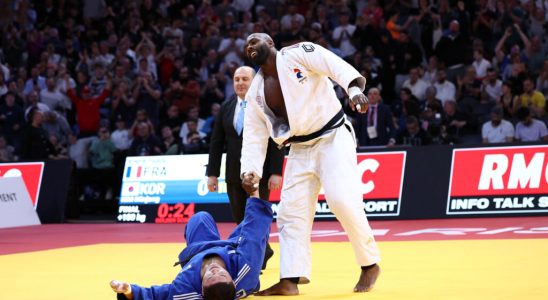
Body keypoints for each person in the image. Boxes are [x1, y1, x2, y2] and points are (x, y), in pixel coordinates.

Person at [240, 33, 380, 295]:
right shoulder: (256, 91)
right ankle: (290, 278)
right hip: (299, 148)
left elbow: (332, 64)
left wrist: (353, 90)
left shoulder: (298, 54)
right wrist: (251, 170)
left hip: (333, 137)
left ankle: (369, 263)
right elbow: (254, 133)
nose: (249, 46)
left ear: (270, 43)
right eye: (246, 44)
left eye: (254, 40)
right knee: (290, 213)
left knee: (342, 200)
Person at [110, 194, 273, 300]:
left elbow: (155, 295)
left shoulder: (185, 288)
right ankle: (263, 253)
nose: (215, 269)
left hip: (199, 251)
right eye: (223, 274)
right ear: (234, 282)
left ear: (201, 289)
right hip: (234, 248)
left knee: (200, 217)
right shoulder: (246, 272)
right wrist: (255, 194)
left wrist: (128, 290)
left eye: (210, 276)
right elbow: (254, 232)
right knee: (255, 229)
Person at [207, 66, 284, 270]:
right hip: (233, 174)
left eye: (245, 79)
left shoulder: (264, 106)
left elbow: (277, 138)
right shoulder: (226, 107)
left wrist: (276, 172)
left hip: (260, 172)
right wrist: (212, 174)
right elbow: (216, 142)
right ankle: (260, 252)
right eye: (236, 79)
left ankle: (256, 257)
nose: (240, 83)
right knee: (240, 218)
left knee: (257, 216)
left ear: (254, 82)